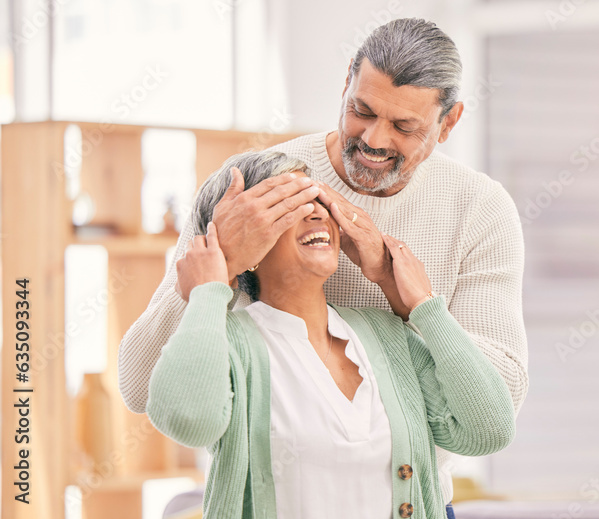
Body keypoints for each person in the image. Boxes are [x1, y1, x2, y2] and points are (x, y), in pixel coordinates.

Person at [118, 17, 528, 508]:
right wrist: (221, 265)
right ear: (345, 86)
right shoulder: (255, 185)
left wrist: (411, 303)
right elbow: (143, 387)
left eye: (403, 126)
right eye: (361, 110)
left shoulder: (480, 208)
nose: (374, 139)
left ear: (449, 122)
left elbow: (496, 404)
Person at [147, 151, 515, 518]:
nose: (317, 212)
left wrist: (425, 306)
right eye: (288, 205)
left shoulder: (385, 335)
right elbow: (189, 421)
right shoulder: (229, 342)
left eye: (318, 199)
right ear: (246, 244)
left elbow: (488, 430)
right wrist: (209, 289)